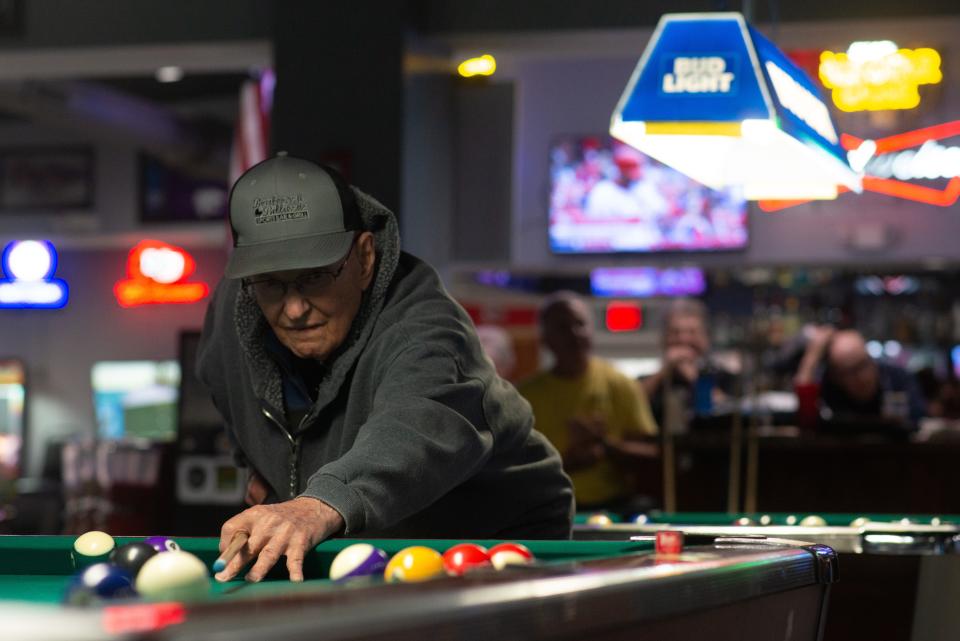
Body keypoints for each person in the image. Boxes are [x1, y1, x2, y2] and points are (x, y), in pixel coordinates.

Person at [197, 153, 573, 583]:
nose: (295, 307)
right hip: (361, 539)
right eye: (273, 284)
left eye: (316, 277)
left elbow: (416, 428)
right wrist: (257, 462)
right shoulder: (239, 305)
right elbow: (221, 378)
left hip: (490, 541)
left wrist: (314, 504)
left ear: (364, 258)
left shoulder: (424, 331)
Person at [517, 292, 658, 512]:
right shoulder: (524, 396)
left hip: (617, 508)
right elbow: (518, 471)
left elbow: (651, 457)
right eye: (563, 327)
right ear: (545, 340)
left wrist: (605, 444)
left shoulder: (621, 384)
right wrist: (571, 460)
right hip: (549, 508)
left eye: (580, 324)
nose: (574, 334)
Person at [794, 327, 925, 429]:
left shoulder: (897, 377)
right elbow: (806, 420)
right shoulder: (829, 385)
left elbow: (918, 417)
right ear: (836, 376)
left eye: (864, 364)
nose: (861, 376)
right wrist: (812, 357)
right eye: (850, 371)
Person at [641, 299, 737, 427]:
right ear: (663, 339)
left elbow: (729, 411)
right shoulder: (649, 381)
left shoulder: (726, 378)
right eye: (675, 332)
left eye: (692, 332)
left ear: (706, 338)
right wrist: (664, 371)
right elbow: (631, 407)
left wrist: (693, 376)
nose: (683, 339)